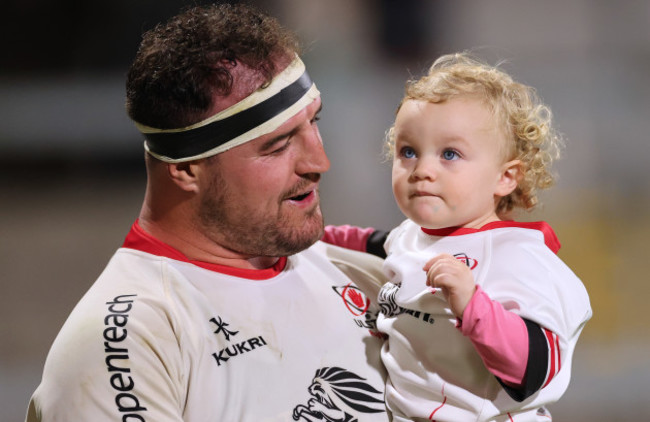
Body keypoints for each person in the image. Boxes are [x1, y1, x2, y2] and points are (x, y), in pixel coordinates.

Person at [25, 4, 390, 421]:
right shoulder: (129, 341)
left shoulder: (361, 273)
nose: (319, 161)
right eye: (278, 145)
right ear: (184, 169)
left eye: (314, 122)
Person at [325, 52, 592, 421]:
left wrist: (472, 305)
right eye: (408, 152)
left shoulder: (521, 257)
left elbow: (535, 370)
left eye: (449, 153)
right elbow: (360, 241)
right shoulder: (409, 237)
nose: (422, 169)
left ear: (505, 177)